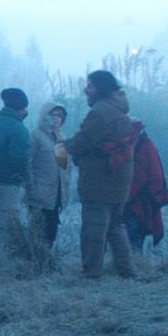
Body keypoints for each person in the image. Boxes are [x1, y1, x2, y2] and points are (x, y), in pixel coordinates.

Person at [61, 71, 138, 278]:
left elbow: (83, 141)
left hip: (100, 179)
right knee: (116, 226)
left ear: (101, 88)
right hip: (119, 178)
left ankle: (91, 272)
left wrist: (63, 146)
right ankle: (126, 270)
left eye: (90, 85)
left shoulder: (101, 111)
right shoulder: (118, 108)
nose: (86, 89)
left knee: (94, 228)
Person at [0, 88, 31, 254]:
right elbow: (20, 159)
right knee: (7, 225)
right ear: (21, 107)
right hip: (8, 185)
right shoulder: (19, 129)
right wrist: (26, 179)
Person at [24, 103, 71, 265]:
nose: (56, 119)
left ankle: (45, 263)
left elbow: (65, 168)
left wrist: (65, 190)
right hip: (39, 194)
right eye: (53, 114)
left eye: (60, 115)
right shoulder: (35, 136)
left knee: (51, 231)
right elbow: (27, 163)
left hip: (57, 194)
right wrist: (31, 188)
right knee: (37, 232)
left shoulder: (62, 138)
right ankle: (33, 264)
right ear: (45, 116)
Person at [124, 124, 168, 251]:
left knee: (133, 232)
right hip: (133, 198)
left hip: (139, 199)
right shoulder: (138, 144)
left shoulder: (143, 145)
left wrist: (125, 196)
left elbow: (142, 175)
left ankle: (134, 259)